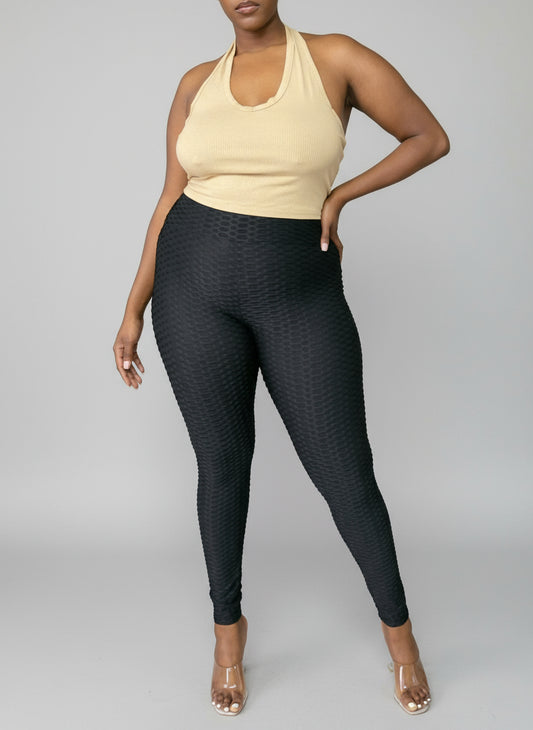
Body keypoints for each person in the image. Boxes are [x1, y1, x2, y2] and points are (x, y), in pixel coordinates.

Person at [113, 0, 450, 718]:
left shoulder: (334, 58)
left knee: (344, 472)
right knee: (222, 465)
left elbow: (428, 137)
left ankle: (401, 642)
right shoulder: (195, 82)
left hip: (299, 293)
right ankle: (227, 639)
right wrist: (134, 304)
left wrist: (340, 196)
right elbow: (170, 197)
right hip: (189, 289)